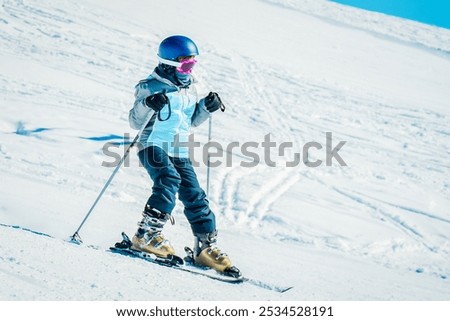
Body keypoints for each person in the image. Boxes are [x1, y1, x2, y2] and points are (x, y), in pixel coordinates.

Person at [128, 35, 240, 277]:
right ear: (169, 63)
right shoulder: (150, 86)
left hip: (178, 147)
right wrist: (149, 103)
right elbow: (135, 121)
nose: (190, 69)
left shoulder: (190, 88)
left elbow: (189, 121)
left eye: (193, 64)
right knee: (168, 179)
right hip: (152, 144)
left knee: (194, 193)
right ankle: (146, 234)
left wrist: (205, 108)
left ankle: (205, 247)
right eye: (186, 64)